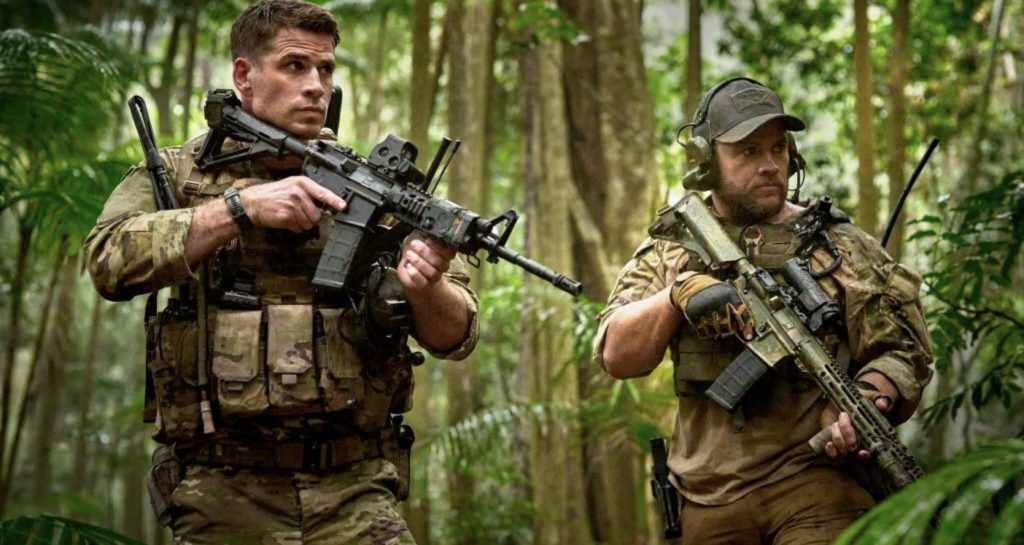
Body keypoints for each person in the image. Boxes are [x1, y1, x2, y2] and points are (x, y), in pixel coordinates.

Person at [83, 1, 478, 543]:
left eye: (326, 69)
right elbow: (106, 261)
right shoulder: (181, 173)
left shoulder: (376, 190)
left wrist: (426, 287)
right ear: (244, 75)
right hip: (221, 490)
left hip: (356, 488)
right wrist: (238, 209)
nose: (315, 86)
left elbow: (456, 337)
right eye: (295, 66)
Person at [593, 77, 932, 544]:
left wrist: (869, 399)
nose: (770, 165)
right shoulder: (673, 248)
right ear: (707, 162)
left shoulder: (838, 245)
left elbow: (902, 350)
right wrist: (677, 295)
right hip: (707, 496)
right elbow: (617, 354)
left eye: (778, 148)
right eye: (748, 152)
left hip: (814, 482)